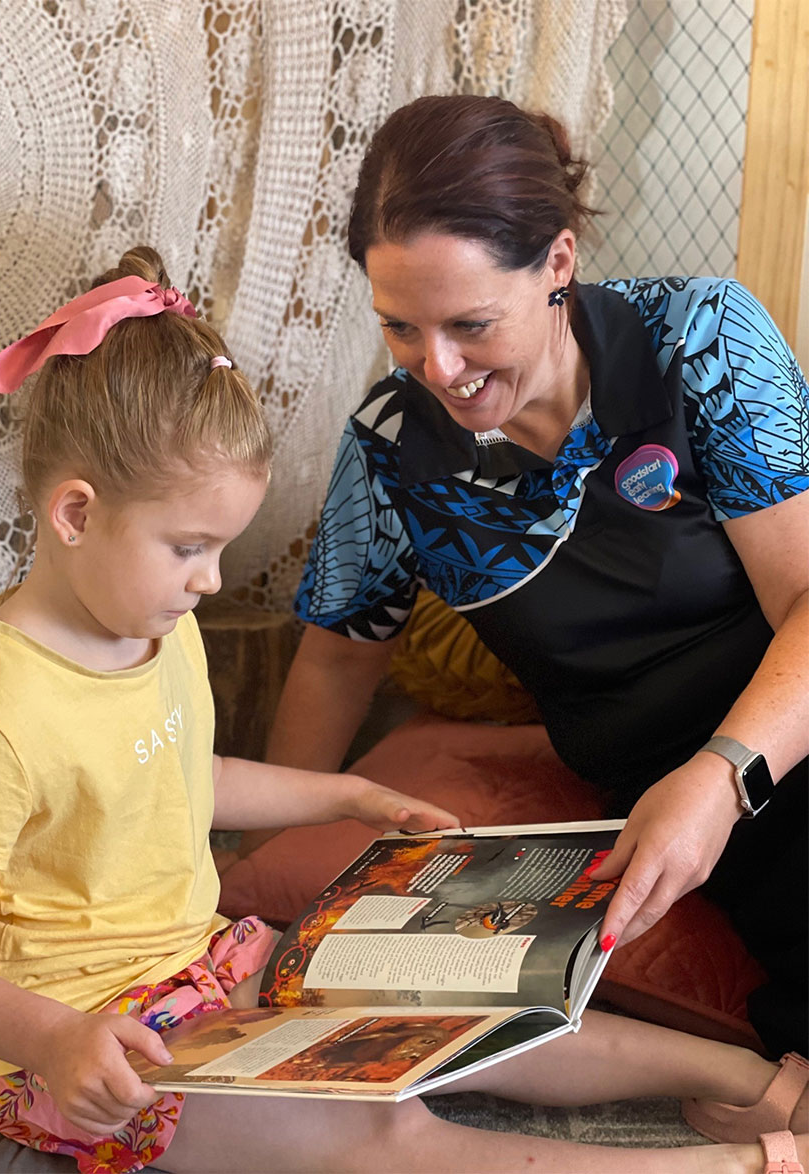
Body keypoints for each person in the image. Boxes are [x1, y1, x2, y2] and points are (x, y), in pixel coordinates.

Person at [0, 246, 806, 1174]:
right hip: (87, 1045)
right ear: (74, 514)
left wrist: (347, 797)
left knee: (459, 1003)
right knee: (383, 1130)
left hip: (207, 964)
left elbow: (180, 777)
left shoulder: (151, 621)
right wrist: (53, 1040)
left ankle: (752, 1081)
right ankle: (740, 1168)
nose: (213, 578)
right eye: (190, 546)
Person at [249, 94, 809, 1062]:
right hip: (653, 780)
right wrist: (258, 864)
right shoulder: (388, 453)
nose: (439, 367)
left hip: (776, 731)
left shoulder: (702, 342)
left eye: (468, 323)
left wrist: (720, 780)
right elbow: (338, 663)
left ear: (557, 262)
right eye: (399, 329)